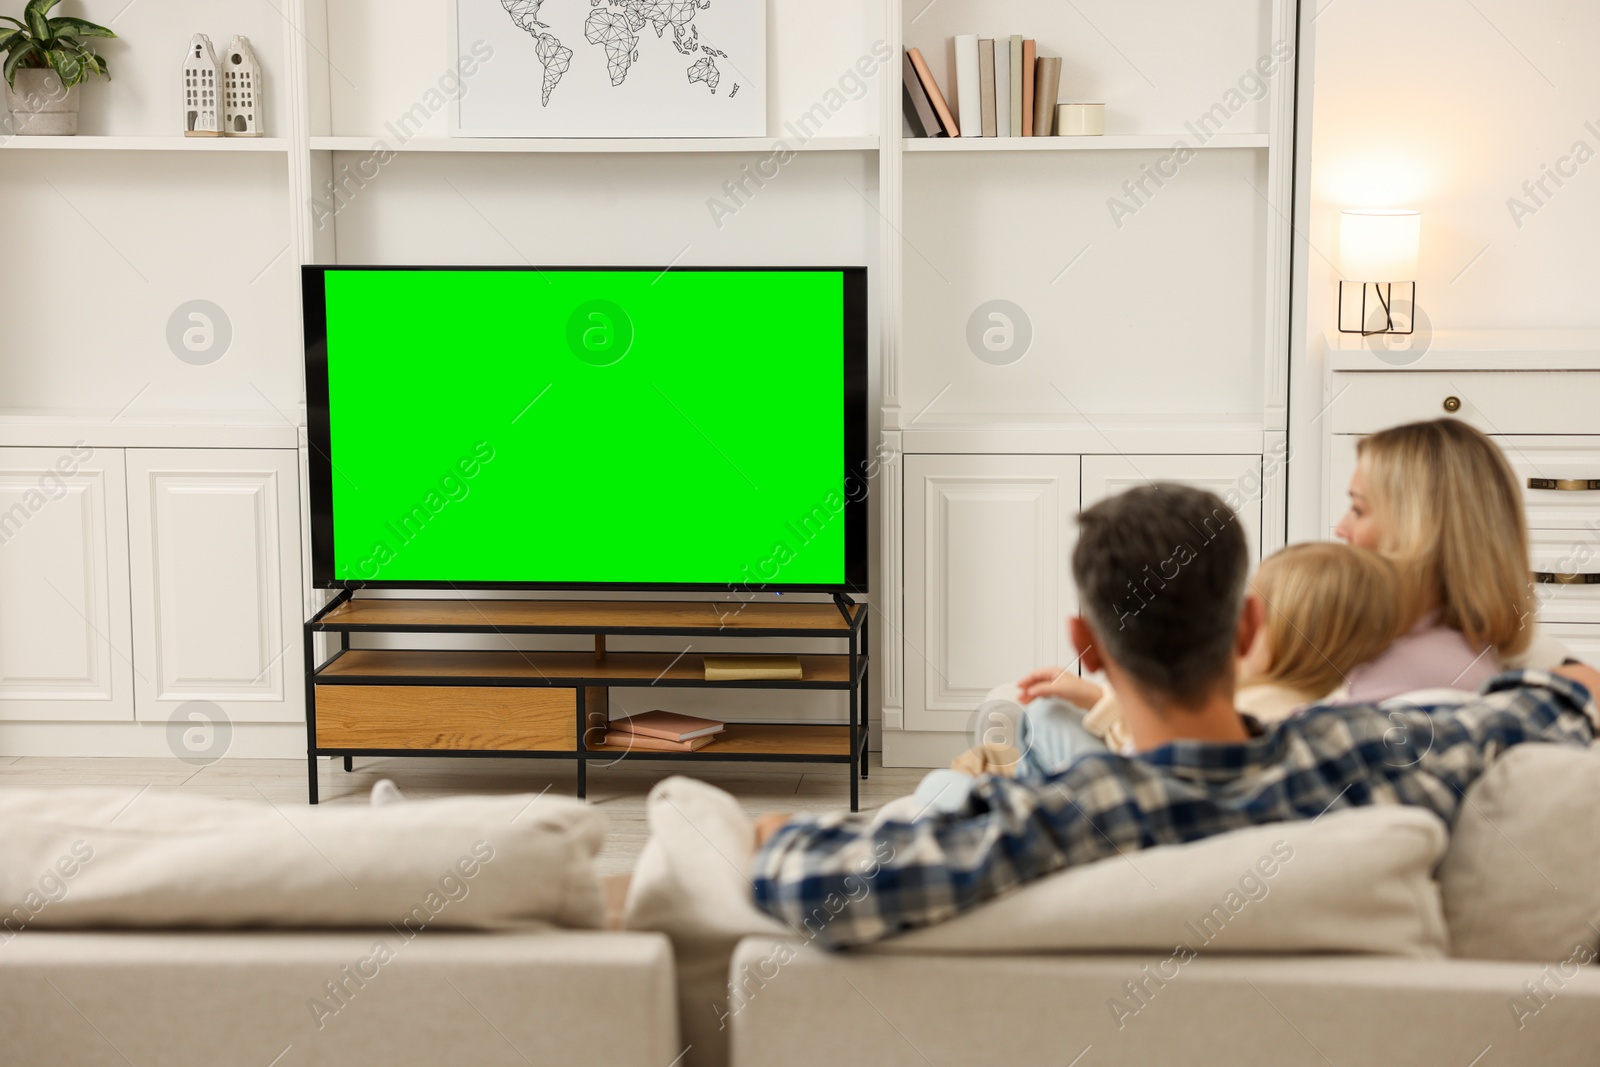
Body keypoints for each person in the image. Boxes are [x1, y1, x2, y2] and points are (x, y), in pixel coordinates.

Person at [749, 484, 1598, 949]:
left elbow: (818, 886)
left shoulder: (1059, 819)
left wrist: (773, 832)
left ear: (1086, 641)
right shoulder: (1379, 751)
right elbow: (1564, 698)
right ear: (1249, 627)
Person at [1335, 418, 1560, 700]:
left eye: (1358, 509)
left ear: (1417, 533)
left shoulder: (1411, 673)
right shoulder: (1454, 652)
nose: (1341, 529)